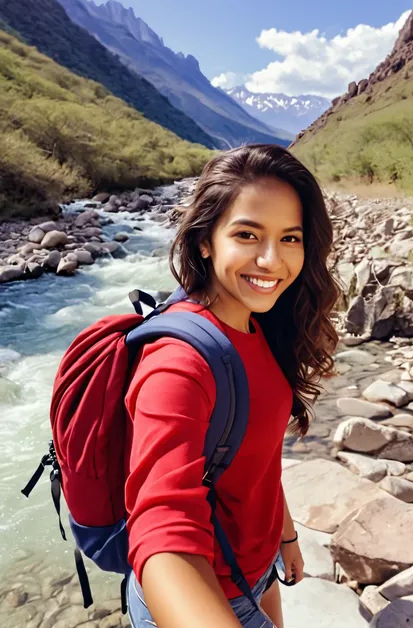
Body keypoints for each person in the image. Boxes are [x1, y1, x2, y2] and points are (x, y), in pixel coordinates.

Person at [124, 143, 340, 627]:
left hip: (256, 570)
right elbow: (162, 534)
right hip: (207, 595)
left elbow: (256, 458)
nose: (272, 261)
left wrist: (284, 539)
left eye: (290, 238)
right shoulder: (178, 362)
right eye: (247, 234)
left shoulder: (255, 321)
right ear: (206, 240)